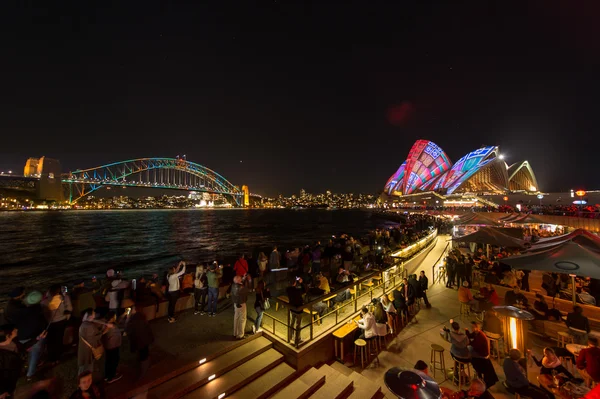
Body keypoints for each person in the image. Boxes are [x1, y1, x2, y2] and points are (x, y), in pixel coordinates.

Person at [43, 284, 73, 365]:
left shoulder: (45, 301)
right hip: (61, 321)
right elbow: (69, 308)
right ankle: (58, 357)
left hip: (50, 323)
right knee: (59, 339)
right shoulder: (64, 298)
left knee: (50, 341)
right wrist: (67, 317)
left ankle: (51, 358)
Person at [466, 321, 498, 388]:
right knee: (468, 350)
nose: (472, 328)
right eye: (471, 327)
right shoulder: (476, 333)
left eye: (473, 327)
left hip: (481, 355)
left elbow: (474, 345)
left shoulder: (481, 336)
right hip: (478, 351)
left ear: (477, 328)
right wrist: (467, 331)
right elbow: (470, 336)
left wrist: (468, 343)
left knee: (467, 352)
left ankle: (477, 373)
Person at [125, 303, 154, 379]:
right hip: (146, 339)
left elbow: (127, 330)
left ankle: (143, 372)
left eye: (133, 309)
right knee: (145, 352)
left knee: (143, 356)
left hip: (140, 341)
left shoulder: (134, 319)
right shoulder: (142, 316)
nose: (132, 310)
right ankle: (148, 365)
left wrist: (127, 318)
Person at [77, 308, 106, 380]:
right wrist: (104, 331)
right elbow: (94, 337)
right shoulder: (89, 326)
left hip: (84, 350)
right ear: (89, 316)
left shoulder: (84, 324)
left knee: (84, 366)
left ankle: (83, 380)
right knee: (86, 367)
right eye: (93, 314)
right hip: (87, 351)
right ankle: (85, 381)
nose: (94, 315)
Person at [0, 324, 23, 398]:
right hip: (6, 388)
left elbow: (24, 347)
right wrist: (2, 391)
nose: (16, 330)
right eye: (14, 330)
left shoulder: (13, 344)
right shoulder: (6, 355)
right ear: (7, 336)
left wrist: (38, 338)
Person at [103, 311, 123, 383]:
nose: (115, 318)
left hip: (110, 346)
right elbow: (104, 333)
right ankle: (111, 377)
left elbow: (117, 322)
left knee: (109, 361)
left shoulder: (108, 323)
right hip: (112, 346)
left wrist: (123, 314)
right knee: (113, 360)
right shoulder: (109, 326)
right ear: (111, 318)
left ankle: (107, 375)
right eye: (114, 316)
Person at [231, 274, 252, 339]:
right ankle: (240, 335)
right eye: (240, 278)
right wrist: (249, 280)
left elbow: (239, 283)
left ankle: (235, 333)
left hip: (236, 304)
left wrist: (243, 279)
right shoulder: (241, 288)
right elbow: (249, 289)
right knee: (242, 319)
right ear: (239, 281)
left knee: (236, 318)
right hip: (241, 304)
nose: (241, 279)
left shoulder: (233, 285)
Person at [286, 277, 304, 346]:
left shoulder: (288, 290)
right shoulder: (297, 291)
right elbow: (304, 290)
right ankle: (297, 339)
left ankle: (290, 336)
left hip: (292, 308)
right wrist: (301, 283)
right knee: (298, 325)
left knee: (292, 322)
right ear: (295, 283)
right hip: (298, 308)